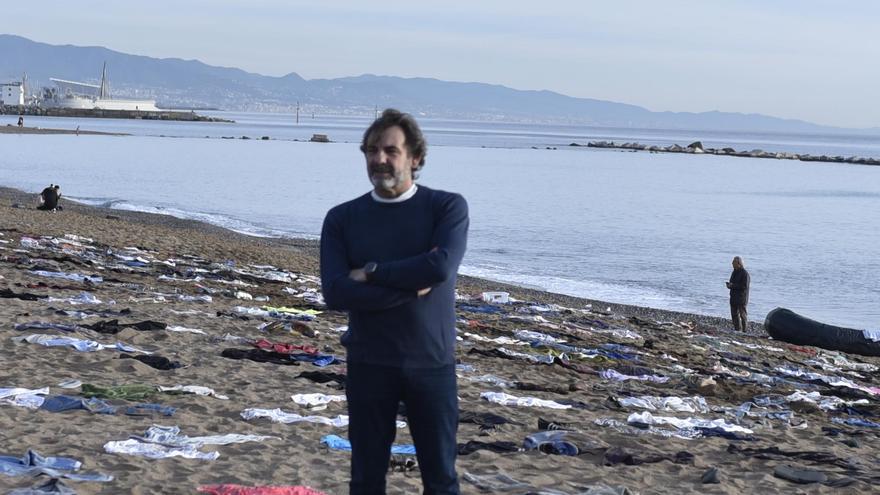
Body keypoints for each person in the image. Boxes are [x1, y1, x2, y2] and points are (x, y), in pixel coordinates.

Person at [320, 109, 468, 494]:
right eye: (371, 150)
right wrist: (407, 286)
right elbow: (335, 292)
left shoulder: (447, 208)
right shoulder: (342, 218)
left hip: (432, 364)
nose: (379, 159)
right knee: (366, 479)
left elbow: (439, 267)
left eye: (390, 150)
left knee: (440, 479)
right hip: (370, 363)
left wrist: (370, 272)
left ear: (415, 157)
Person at [726, 256, 750, 331]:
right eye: (733, 262)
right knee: (734, 315)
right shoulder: (734, 272)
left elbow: (744, 286)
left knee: (743, 315)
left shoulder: (745, 273)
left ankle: (744, 331)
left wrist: (733, 285)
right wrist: (729, 285)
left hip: (741, 298)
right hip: (733, 297)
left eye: (734, 262)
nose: (732, 263)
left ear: (739, 263)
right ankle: (737, 330)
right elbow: (732, 282)